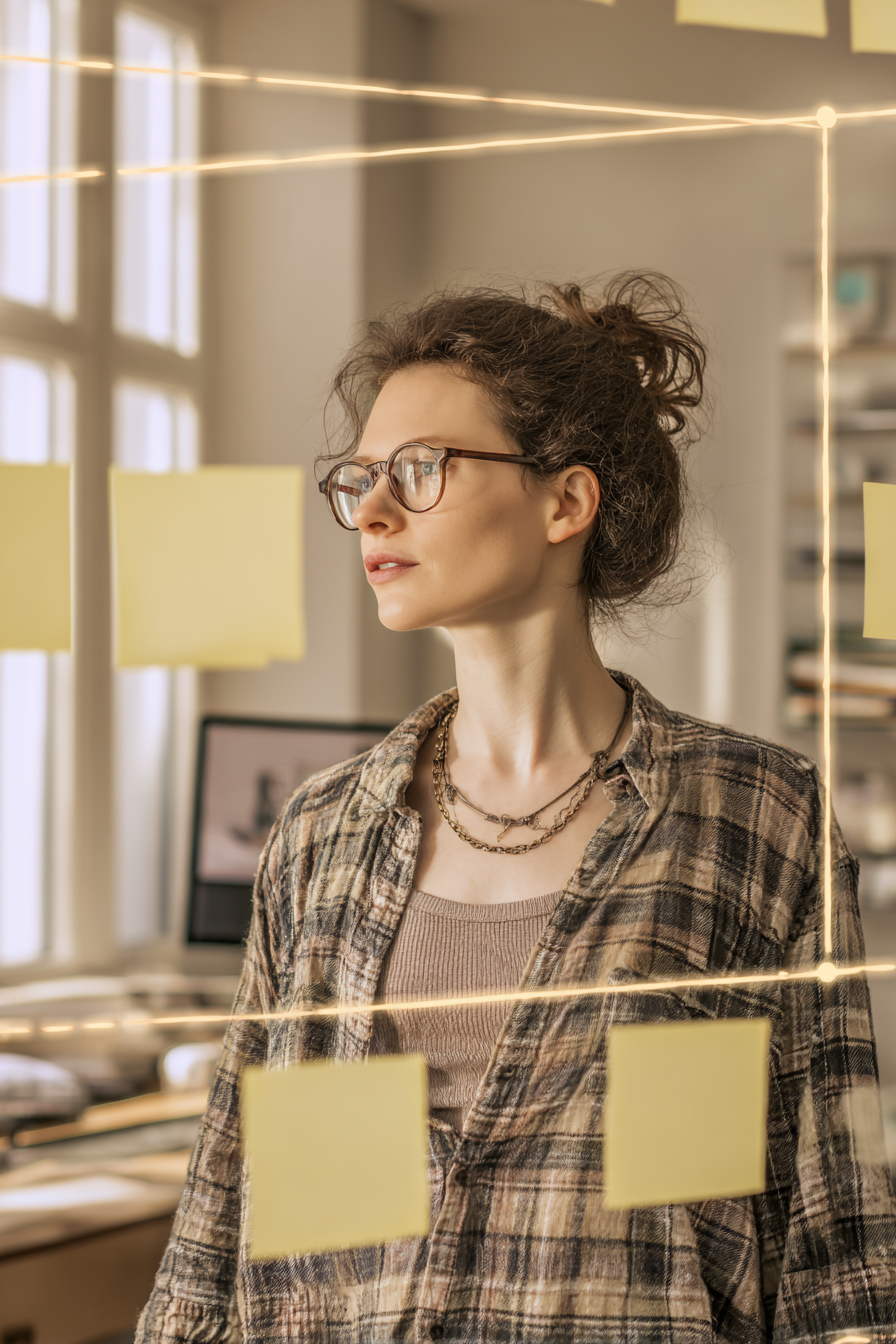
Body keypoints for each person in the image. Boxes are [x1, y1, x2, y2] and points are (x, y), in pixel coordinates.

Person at [136, 273, 896, 1343]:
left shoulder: (755, 820)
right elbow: (217, 1248)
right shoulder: (317, 840)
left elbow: (838, 1257)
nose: (374, 510)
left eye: (420, 468)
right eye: (359, 478)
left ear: (564, 502)